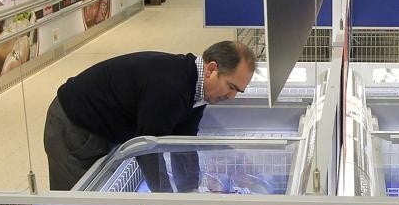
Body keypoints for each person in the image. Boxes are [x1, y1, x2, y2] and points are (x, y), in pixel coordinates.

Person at [43, 41, 256, 191]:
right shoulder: (172, 87)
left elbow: (183, 143)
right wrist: (166, 202)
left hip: (103, 126)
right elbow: (147, 150)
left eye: (238, 91)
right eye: (231, 87)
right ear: (211, 69)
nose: (232, 96)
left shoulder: (197, 89)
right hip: (73, 124)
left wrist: (190, 192)